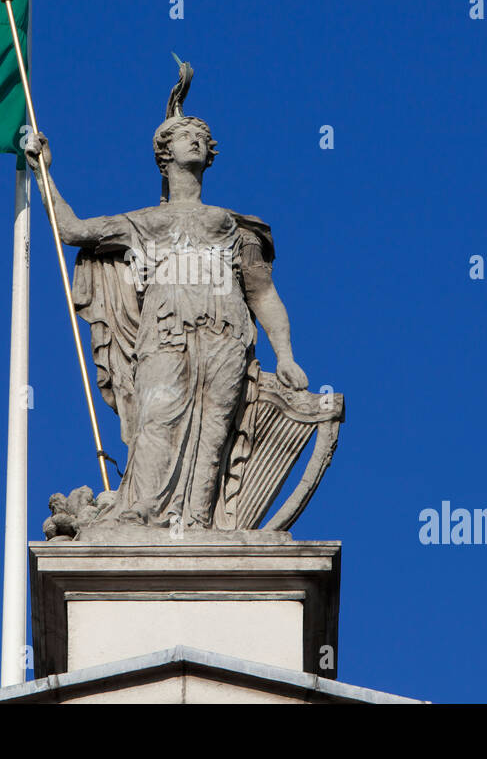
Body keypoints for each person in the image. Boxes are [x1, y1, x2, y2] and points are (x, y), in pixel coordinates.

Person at [25, 62, 307, 530]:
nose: (195, 138)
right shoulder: (146, 223)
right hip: (166, 329)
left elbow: (262, 292)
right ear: (165, 152)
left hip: (227, 330)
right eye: (184, 133)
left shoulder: (235, 226)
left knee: (217, 425)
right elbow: (72, 230)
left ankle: (200, 523)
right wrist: (43, 173)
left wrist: (287, 355)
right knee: (156, 417)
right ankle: (140, 514)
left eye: (201, 134)